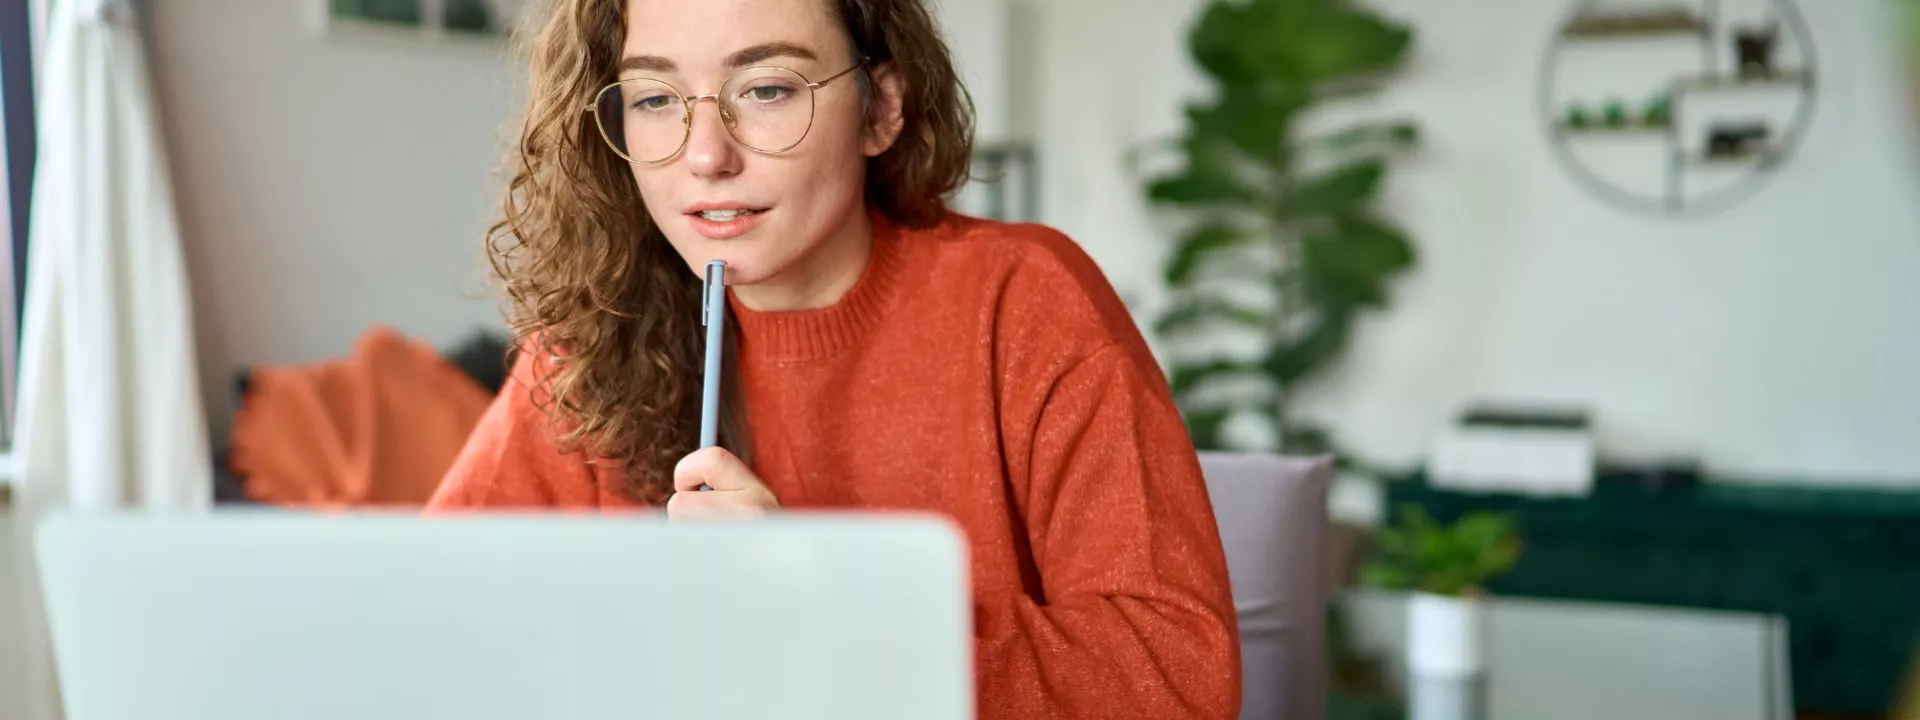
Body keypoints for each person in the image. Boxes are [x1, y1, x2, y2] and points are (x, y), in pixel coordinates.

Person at [426, 0, 1243, 716]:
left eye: (768, 88)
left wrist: (828, 610)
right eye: (654, 98)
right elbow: (426, 626)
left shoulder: (1025, 300)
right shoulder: (591, 338)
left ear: (881, 108)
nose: (705, 153)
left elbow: (1175, 680)